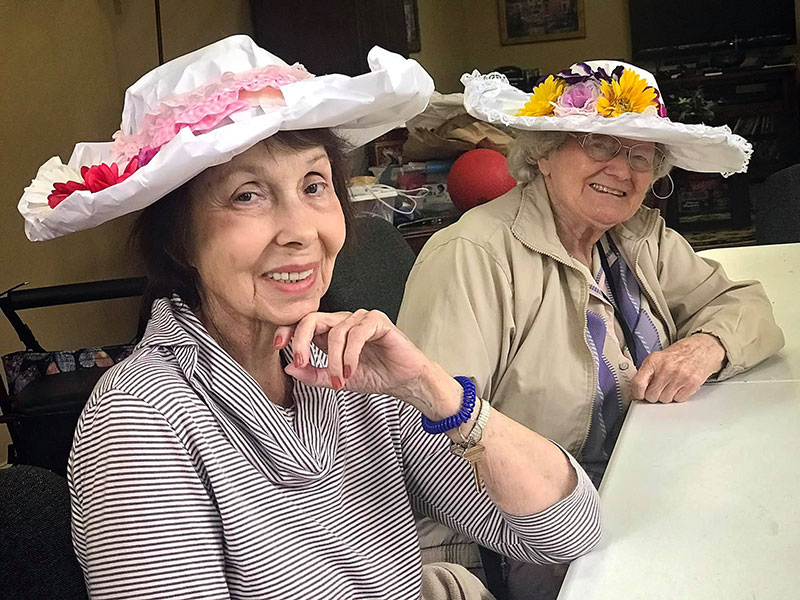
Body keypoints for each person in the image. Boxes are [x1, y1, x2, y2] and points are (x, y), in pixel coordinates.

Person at [18, 37, 601, 600]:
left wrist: (433, 388)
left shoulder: (348, 374)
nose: (302, 231)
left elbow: (564, 532)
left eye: (314, 186)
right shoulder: (143, 423)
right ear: (179, 242)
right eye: (248, 195)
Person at [397, 60, 785, 596]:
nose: (622, 170)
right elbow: (426, 447)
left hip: (644, 478)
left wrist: (706, 345)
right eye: (599, 145)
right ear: (546, 154)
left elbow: (744, 304)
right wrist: (582, 525)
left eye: (640, 155)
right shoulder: (473, 255)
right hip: (523, 540)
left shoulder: (634, 235)